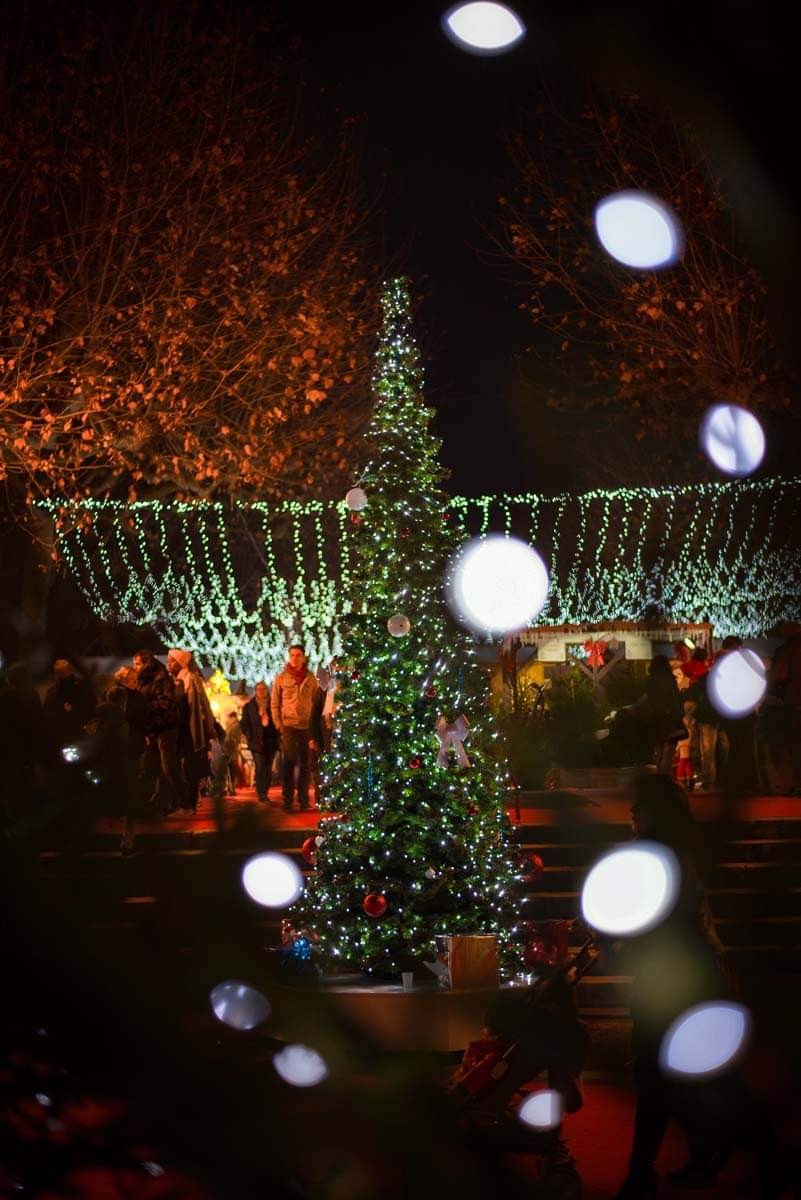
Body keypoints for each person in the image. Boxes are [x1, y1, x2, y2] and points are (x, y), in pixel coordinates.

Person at [271, 645, 323, 812]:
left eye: (298, 655)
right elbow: (274, 703)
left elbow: (317, 704)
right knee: (289, 762)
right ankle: (287, 799)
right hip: (289, 726)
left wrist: (315, 727)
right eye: (292, 655)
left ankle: (303, 800)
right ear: (289, 657)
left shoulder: (311, 678)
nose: (295, 658)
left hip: (306, 726)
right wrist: (279, 724)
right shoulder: (281, 678)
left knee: (306, 764)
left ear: (303, 658)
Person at [131, 649, 181, 818]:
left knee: (168, 768)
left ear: (147, 663)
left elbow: (165, 703)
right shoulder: (142, 679)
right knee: (151, 767)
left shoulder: (160, 678)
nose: (135, 667)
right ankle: (153, 804)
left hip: (165, 728)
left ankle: (180, 802)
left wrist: (144, 708)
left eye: (137, 664)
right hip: (152, 729)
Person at [167, 648, 215, 814]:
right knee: (175, 766)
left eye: (172, 661)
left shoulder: (191, 679)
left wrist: (208, 728)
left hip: (190, 729)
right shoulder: (175, 679)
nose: (169, 664)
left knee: (191, 767)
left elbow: (200, 706)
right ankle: (182, 802)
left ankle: (190, 802)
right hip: (179, 728)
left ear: (180, 663)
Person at [769, 620, 801, 796]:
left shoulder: (786, 650)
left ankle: (797, 783)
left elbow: (780, 675)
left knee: (795, 744)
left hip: (795, 702)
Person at [643, 655, 684, 777]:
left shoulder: (650, 680)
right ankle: (665, 777)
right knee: (669, 749)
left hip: (655, 718)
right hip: (669, 717)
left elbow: (648, 699)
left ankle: (660, 776)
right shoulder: (670, 679)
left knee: (658, 750)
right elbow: (675, 699)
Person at [240, 681, 279, 804]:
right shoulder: (249, 706)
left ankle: (265, 792)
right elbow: (244, 723)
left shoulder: (273, 705)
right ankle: (261, 793)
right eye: (259, 689)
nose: (261, 691)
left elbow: (277, 722)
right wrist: (249, 735)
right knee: (260, 766)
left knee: (268, 768)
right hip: (256, 743)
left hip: (270, 742)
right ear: (255, 691)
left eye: (264, 689)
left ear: (267, 690)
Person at [43, 658, 95, 749]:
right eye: (58, 673)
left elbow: (90, 707)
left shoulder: (81, 687)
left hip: (76, 733)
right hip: (64, 735)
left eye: (62, 672)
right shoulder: (53, 691)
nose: (60, 676)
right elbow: (47, 712)